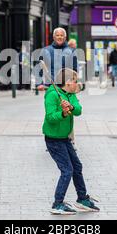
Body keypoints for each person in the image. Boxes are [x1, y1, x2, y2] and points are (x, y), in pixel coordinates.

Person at [43, 68, 100, 215]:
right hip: (53, 139)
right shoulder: (52, 95)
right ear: (68, 83)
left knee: (77, 166)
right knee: (67, 170)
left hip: (65, 138)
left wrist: (71, 107)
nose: (77, 83)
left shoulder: (71, 94)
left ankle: (82, 199)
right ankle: (57, 204)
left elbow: (79, 110)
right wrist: (62, 113)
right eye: (75, 81)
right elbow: (50, 118)